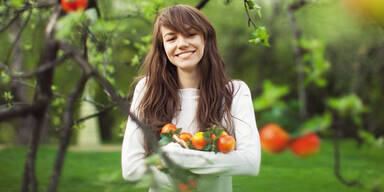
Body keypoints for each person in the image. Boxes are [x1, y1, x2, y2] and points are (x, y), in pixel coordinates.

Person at [121, 4, 261, 192]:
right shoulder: (147, 89)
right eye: (171, 38)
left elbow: (250, 163)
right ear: (163, 48)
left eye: (190, 34)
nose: (182, 44)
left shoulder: (235, 92)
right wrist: (211, 167)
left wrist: (174, 158)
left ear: (205, 39)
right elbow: (131, 169)